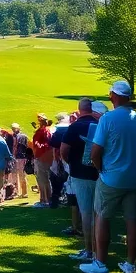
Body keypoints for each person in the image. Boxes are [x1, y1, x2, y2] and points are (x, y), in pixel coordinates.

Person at [80, 81, 136, 273]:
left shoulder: (108, 118)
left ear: (113, 95)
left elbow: (95, 152)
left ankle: (100, 263)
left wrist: (100, 168)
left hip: (111, 177)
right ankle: (130, 265)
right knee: (132, 220)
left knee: (102, 218)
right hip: (134, 178)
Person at [61, 99, 101, 261]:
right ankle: (99, 250)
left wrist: (70, 163)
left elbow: (64, 150)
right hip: (100, 173)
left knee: (86, 212)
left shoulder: (75, 126)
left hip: (80, 173)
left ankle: (89, 250)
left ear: (79, 109)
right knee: (99, 213)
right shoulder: (100, 124)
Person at [31, 113, 54, 207]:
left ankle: (44, 200)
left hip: (41, 157)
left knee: (42, 179)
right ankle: (48, 198)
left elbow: (39, 144)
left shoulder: (43, 131)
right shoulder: (47, 130)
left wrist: (37, 145)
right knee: (46, 179)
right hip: (48, 157)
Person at [10, 122, 30, 199]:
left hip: (20, 157)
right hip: (17, 157)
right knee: (16, 175)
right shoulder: (15, 136)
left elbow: (19, 147)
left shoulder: (21, 137)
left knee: (21, 175)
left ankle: (24, 192)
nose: (13, 130)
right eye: (12, 128)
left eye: (14, 128)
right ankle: (17, 192)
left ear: (18, 128)